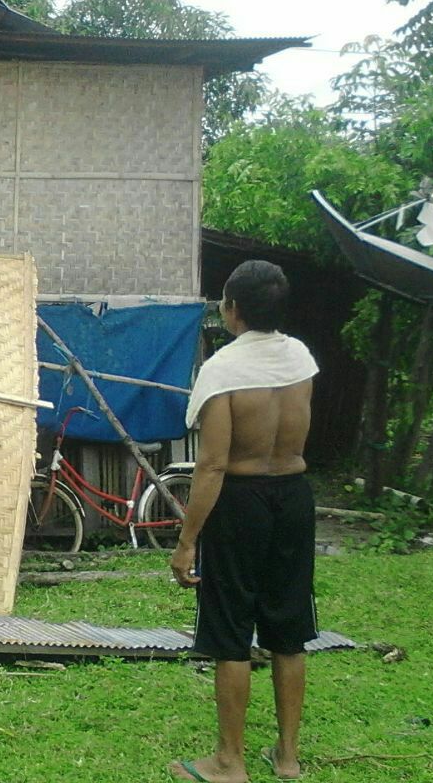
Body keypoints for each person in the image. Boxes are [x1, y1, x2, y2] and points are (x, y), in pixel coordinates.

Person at [168, 260, 319, 783]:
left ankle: (229, 761)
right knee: (288, 628)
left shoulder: (224, 370)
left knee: (231, 631)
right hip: (294, 497)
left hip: (241, 502)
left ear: (231, 309)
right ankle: (288, 756)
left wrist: (187, 542)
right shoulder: (301, 358)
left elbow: (211, 465)